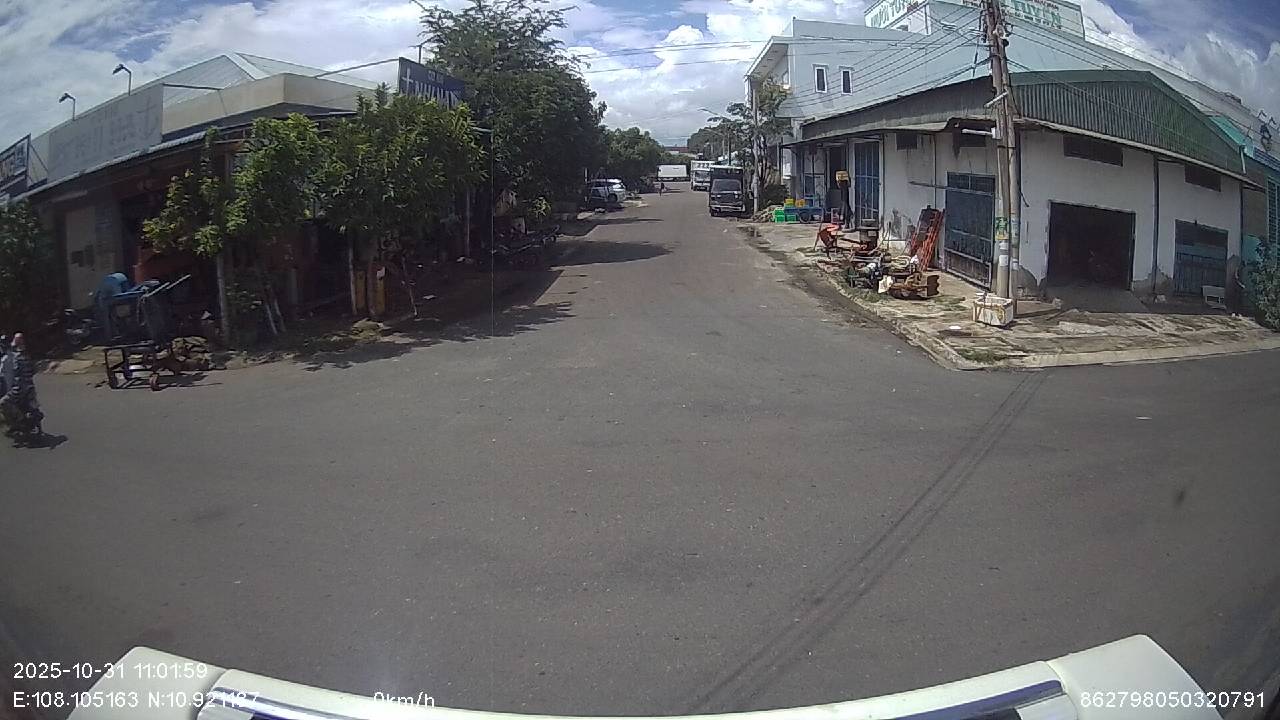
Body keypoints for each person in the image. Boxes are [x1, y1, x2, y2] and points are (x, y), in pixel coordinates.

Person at [1, 333, 39, 433]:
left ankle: (18, 420)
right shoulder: (27, 357)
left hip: (18, 390)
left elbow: (7, 374)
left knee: (3, 403)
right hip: (30, 388)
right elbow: (34, 370)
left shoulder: (11, 359)